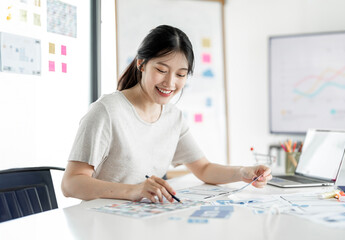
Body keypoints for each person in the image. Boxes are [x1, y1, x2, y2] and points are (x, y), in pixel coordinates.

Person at [61, 25, 272, 203]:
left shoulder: (173, 117)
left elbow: (204, 168)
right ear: (141, 63)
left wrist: (244, 172)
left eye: (180, 74)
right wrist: (134, 190)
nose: (170, 83)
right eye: (161, 70)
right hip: (101, 222)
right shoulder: (107, 111)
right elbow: (70, 184)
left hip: (142, 221)